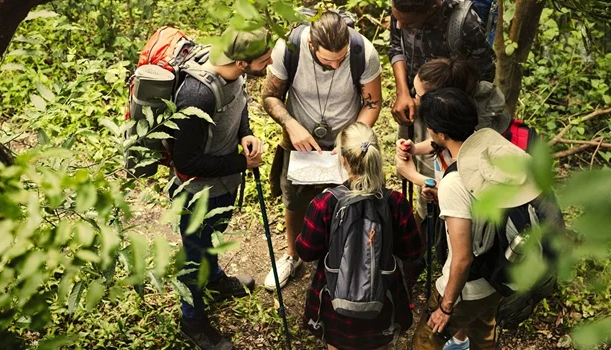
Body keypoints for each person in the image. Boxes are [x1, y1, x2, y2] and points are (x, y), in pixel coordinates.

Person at [261, 10, 384, 290]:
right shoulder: (288, 49)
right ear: (310, 46)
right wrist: (291, 125)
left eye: (341, 57)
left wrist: (348, 139)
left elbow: (373, 103)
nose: (337, 63)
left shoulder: (363, 52)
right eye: (329, 59)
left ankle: (349, 254)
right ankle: (292, 255)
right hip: (300, 138)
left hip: (348, 139)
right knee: (294, 198)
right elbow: (270, 95)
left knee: (354, 197)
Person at [170, 25, 273, 350]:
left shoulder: (236, 74)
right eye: (265, 59)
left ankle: (214, 280)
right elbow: (185, 162)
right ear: (242, 62)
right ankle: (192, 321)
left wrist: (246, 132)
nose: (270, 64)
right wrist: (242, 164)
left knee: (212, 237)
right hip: (196, 194)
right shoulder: (196, 95)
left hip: (223, 184)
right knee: (194, 255)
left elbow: (239, 105)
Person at [295, 122, 424, 350]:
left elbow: (305, 252)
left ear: (343, 160)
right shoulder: (396, 203)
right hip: (383, 298)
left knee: (336, 345)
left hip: (333, 297)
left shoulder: (324, 203)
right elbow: (413, 251)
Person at [408, 88, 502, 350]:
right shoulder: (491, 148)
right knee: (483, 335)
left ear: (442, 134)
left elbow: (462, 258)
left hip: (469, 286)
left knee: (424, 342)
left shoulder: (455, 182)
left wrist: (446, 307)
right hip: (498, 273)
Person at [389, 0, 495, 219]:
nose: (399, 26)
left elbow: (483, 74)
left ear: (430, 10)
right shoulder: (402, 6)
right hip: (415, 100)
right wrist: (404, 93)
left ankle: (441, 223)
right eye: (395, 18)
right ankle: (425, 220)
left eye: (407, 23)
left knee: (441, 173)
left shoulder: (462, 23)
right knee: (424, 167)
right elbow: (395, 45)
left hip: (449, 113)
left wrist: (435, 102)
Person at [396, 57, 510, 204]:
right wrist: (415, 149)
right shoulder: (458, 127)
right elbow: (440, 141)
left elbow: (460, 190)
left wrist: (413, 176)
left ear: (441, 101)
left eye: (418, 95)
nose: (414, 99)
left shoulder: (475, 149)